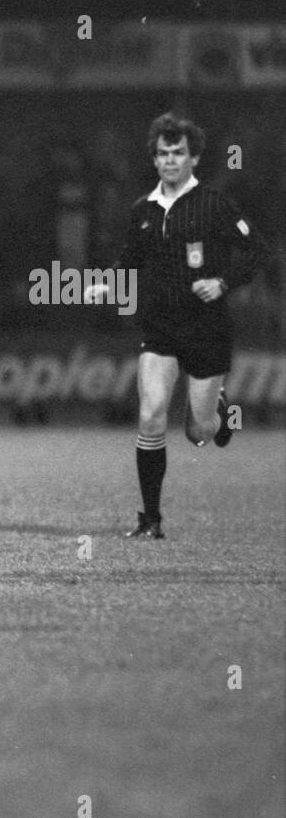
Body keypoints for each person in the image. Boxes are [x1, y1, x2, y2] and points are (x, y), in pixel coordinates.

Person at [92, 113, 267, 539]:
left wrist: (223, 281)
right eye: (163, 153)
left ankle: (219, 412)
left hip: (207, 329)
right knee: (151, 416)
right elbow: (131, 258)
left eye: (179, 153)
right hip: (161, 329)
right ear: (154, 159)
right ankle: (150, 519)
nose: (171, 160)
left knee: (198, 432)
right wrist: (108, 282)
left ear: (194, 158)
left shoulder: (215, 203)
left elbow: (255, 251)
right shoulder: (143, 210)